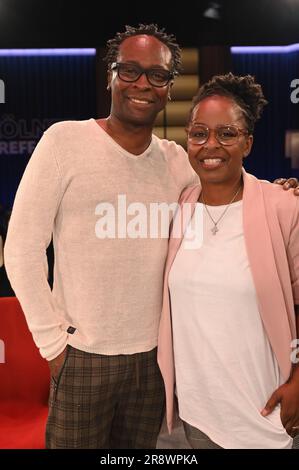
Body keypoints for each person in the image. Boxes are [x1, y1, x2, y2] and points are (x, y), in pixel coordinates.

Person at [4, 25, 298, 449]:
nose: (143, 83)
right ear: (111, 75)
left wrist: (279, 193)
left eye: (157, 75)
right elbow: (21, 250)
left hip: (154, 359)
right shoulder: (64, 141)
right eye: (130, 71)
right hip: (83, 355)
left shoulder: (176, 160)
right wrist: (54, 347)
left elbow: (225, 182)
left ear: (169, 88)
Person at [158, 73, 299, 449]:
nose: (211, 145)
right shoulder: (179, 207)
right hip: (198, 415)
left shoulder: (283, 206)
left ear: (248, 143)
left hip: (266, 414)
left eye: (227, 133)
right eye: (199, 133)